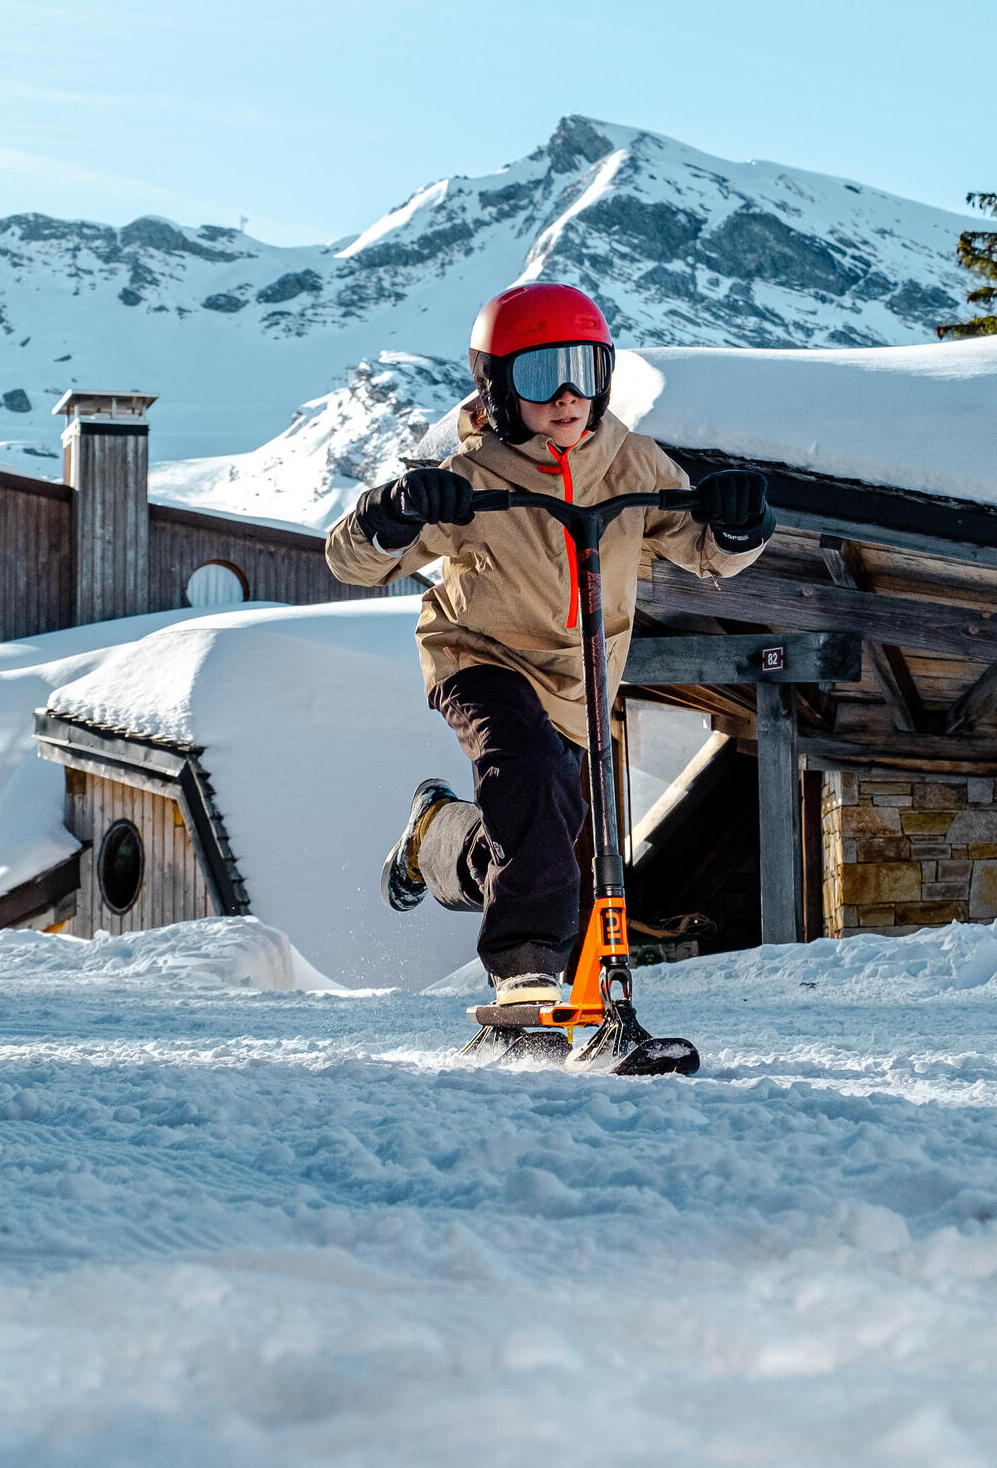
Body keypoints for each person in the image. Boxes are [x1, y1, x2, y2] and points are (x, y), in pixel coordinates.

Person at [325, 282, 773, 1005]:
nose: (567, 395)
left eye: (584, 371)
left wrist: (737, 523)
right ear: (499, 388)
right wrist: (393, 515)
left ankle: (438, 840)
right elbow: (355, 562)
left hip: (580, 687)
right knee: (528, 778)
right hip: (481, 661)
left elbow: (706, 551)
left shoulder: (633, 465)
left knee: (545, 848)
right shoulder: (468, 479)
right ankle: (526, 974)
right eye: (540, 376)